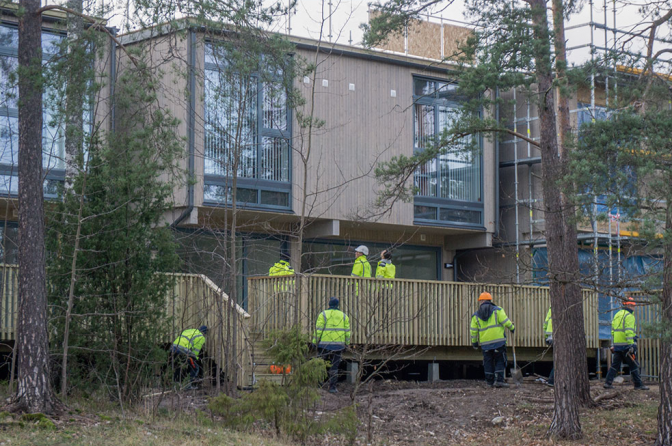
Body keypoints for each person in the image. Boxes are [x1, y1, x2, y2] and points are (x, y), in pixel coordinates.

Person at [470, 292, 515, 388]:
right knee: (500, 360)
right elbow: (506, 321)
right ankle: (499, 380)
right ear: (490, 300)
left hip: (485, 344)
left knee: (488, 361)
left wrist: (474, 343)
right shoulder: (498, 310)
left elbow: (473, 331)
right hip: (499, 342)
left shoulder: (475, 316)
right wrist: (512, 328)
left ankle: (489, 382)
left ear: (482, 301)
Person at [604, 297, 649, 390]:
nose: (634, 308)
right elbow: (628, 331)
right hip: (627, 346)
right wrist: (631, 344)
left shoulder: (617, 315)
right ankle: (638, 384)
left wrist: (614, 344)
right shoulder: (629, 316)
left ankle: (608, 383)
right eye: (633, 306)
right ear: (629, 305)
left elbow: (613, 331)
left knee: (615, 365)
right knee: (633, 364)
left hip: (617, 345)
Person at [313, 297, 350, 394]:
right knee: (334, 367)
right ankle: (332, 388)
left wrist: (315, 342)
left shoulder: (323, 314)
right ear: (338, 305)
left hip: (324, 345)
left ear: (329, 305)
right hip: (338, 345)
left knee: (321, 364)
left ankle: (319, 386)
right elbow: (347, 332)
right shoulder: (344, 316)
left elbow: (318, 330)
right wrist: (347, 344)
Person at [543, 307, 554, 387]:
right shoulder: (563, 306)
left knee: (558, 359)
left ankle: (552, 380)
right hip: (557, 337)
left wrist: (546, 337)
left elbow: (545, 325)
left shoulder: (550, 309)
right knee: (561, 360)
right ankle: (552, 380)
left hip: (550, 337)